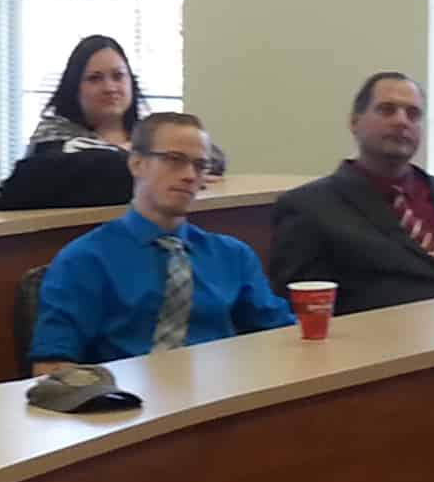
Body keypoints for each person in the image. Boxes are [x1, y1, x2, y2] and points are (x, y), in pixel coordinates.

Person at [30, 113, 292, 368]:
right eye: (174, 160)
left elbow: (283, 336)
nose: (190, 175)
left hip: (219, 395)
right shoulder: (85, 260)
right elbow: (52, 366)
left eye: (200, 165)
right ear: (136, 164)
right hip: (127, 401)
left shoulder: (232, 256)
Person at [268, 72, 434, 314]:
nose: (401, 121)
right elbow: (303, 311)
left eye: (413, 114)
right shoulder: (309, 208)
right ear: (354, 122)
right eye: (387, 110)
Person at [0, 33, 221, 207]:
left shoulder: (148, 132)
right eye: (95, 79)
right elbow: (91, 176)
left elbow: (214, 157)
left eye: (118, 76)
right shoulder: (52, 138)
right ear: (74, 88)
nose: (110, 88)